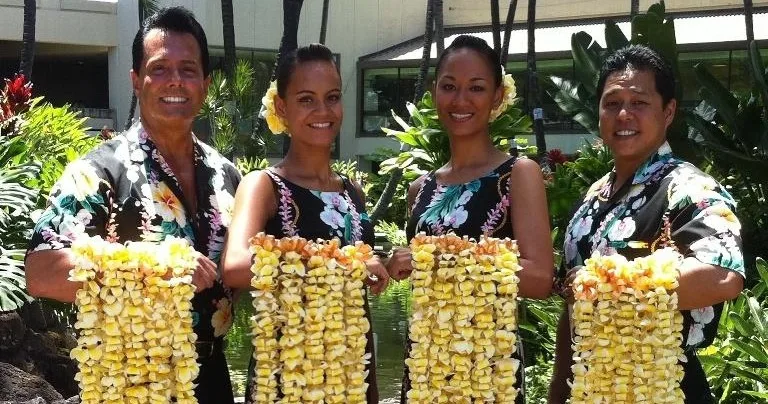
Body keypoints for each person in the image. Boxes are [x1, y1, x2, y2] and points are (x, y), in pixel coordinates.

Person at [24, 7, 239, 403]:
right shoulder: (98, 172)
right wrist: (156, 265)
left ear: (205, 84)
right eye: (159, 69)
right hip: (131, 379)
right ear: (136, 80)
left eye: (188, 69)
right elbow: (42, 271)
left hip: (211, 377)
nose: (175, 80)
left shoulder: (227, 176)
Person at [548, 45, 745, 404]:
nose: (624, 114)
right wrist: (559, 391)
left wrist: (607, 285)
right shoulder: (591, 199)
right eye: (612, 103)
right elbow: (572, 308)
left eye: (639, 102)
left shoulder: (689, 188)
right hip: (592, 388)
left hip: (664, 386)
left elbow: (722, 276)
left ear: (668, 111)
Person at [386, 34, 555, 403]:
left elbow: (541, 278)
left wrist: (440, 258)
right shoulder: (420, 188)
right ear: (434, 92)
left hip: (488, 373)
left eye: (476, 88)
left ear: (497, 96)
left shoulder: (518, 174)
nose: (460, 100)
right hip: (427, 369)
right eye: (449, 86)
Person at [220, 43, 389, 404]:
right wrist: (345, 264)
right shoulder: (264, 185)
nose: (322, 111)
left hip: (347, 379)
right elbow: (234, 267)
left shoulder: (352, 193)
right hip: (286, 379)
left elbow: (359, 306)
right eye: (306, 99)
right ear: (282, 107)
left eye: (332, 97)